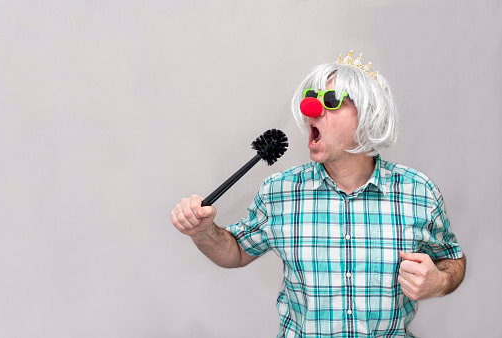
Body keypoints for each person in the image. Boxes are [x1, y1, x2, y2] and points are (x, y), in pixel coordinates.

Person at [170, 50, 466, 337]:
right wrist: (203, 232)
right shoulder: (279, 192)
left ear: (368, 115)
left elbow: (453, 259)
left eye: (332, 101)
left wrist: (438, 282)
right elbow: (235, 252)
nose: (311, 109)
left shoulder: (418, 191)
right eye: (310, 99)